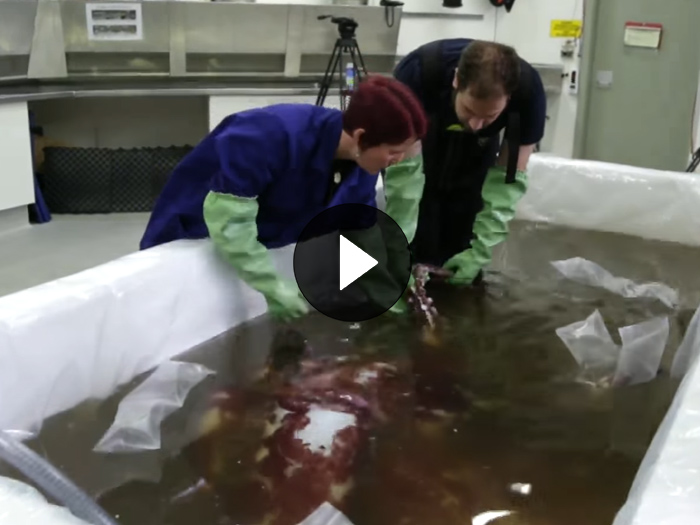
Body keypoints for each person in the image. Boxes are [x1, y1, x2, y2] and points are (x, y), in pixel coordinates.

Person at [140, 76, 428, 321]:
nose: (399, 160)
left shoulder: (362, 167)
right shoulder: (268, 135)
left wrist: (392, 286)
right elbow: (229, 221)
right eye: (394, 151)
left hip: (259, 240)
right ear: (362, 136)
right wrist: (272, 285)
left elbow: (360, 233)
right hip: (192, 234)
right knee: (172, 313)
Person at [383, 38, 547, 286]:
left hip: (477, 153)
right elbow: (404, 177)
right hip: (424, 145)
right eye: (469, 110)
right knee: (420, 238)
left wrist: (480, 250)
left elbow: (509, 177)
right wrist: (398, 248)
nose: (475, 124)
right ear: (457, 80)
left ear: (509, 97)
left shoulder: (528, 93)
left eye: (489, 115)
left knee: (463, 238)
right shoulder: (417, 74)